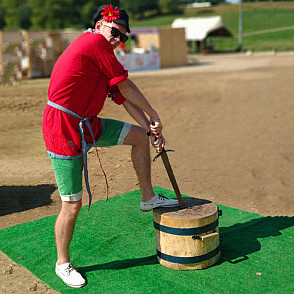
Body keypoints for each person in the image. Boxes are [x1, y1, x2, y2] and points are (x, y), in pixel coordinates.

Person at [42, 4, 179, 288]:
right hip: (63, 127)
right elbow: (128, 87)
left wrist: (149, 129)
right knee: (72, 204)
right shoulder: (92, 43)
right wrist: (154, 115)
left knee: (138, 137)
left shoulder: (101, 54)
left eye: (124, 36)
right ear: (100, 24)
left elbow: (122, 97)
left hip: (87, 123)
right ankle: (62, 264)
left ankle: (148, 198)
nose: (118, 39)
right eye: (115, 31)